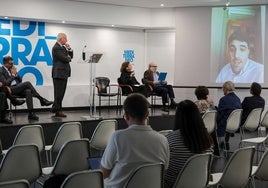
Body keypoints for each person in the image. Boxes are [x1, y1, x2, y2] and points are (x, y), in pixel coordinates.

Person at [100, 93, 169, 188]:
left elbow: (104, 173)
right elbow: (163, 172)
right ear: (147, 115)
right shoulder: (163, 140)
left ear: (126, 115)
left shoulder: (117, 137)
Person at [164, 100, 213, 188]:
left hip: (173, 184)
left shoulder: (169, 139)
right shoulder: (207, 139)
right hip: (200, 184)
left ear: (178, 117)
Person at [0, 56, 53, 120]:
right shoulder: (1, 70)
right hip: (9, 89)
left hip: (17, 87)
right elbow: (5, 83)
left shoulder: (11, 69)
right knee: (27, 83)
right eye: (11, 64)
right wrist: (13, 75)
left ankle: (31, 114)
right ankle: (41, 100)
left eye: (13, 63)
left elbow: (20, 80)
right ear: (5, 64)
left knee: (28, 91)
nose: (12, 65)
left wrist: (16, 73)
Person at [51, 33, 73, 117]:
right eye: (65, 38)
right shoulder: (56, 47)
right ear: (61, 39)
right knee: (59, 93)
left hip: (63, 73)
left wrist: (69, 49)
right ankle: (58, 110)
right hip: (59, 73)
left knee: (61, 93)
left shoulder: (63, 47)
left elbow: (70, 57)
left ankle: (55, 108)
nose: (67, 40)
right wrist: (68, 57)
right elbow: (65, 59)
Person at [216, 81, 241, 151]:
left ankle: (216, 146)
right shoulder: (238, 99)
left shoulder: (223, 99)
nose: (222, 90)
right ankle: (226, 141)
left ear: (225, 89)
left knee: (214, 122)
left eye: (223, 89)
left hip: (225, 125)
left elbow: (219, 115)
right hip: (235, 125)